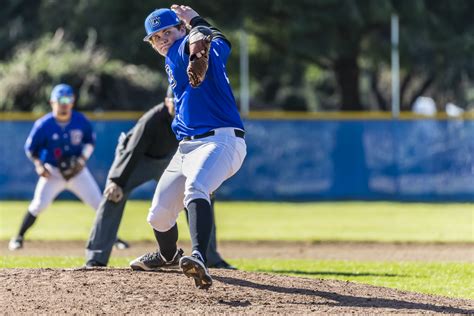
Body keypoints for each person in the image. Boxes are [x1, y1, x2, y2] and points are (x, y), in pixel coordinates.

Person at [130, 5, 246, 289]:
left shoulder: (182, 47)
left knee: (197, 188)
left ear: (181, 30)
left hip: (220, 140)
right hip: (186, 148)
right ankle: (169, 255)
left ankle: (199, 257)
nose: (162, 40)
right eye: (155, 37)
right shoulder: (214, 49)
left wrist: (194, 34)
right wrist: (197, 24)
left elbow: (202, 37)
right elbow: (219, 39)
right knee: (158, 215)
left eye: (167, 31)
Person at [85, 88, 235, 269]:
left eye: (181, 101)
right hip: (138, 160)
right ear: (166, 101)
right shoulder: (153, 119)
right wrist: (117, 181)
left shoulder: (191, 117)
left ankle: (210, 258)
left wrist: (206, 179)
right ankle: (96, 258)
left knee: (199, 195)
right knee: (113, 195)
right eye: (174, 101)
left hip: (171, 160)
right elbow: (133, 150)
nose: (178, 105)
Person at [8, 84, 128, 251]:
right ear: (52, 102)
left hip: (78, 172)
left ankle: (114, 238)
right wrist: (39, 165)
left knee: (99, 203)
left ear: (72, 102)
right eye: (60, 100)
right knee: (38, 205)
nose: (64, 104)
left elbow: (90, 142)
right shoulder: (44, 124)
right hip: (53, 171)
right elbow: (31, 149)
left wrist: (81, 160)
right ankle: (18, 237)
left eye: (68, 100)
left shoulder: (80, 121)